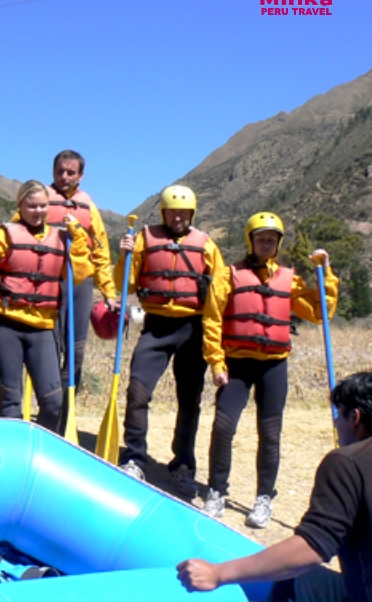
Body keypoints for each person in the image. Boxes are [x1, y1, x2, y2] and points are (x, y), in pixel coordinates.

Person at [177, 371, 372, 602]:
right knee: (289, 580)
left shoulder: (347, 463)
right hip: (353, 594)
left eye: (338, 415)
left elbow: (312, 547)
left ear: (355, 417)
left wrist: (218, 573)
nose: (334, 423)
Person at [201, 212, 338, 528]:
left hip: (274, 365)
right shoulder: (228, 275)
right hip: (237, 363)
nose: (266, 243)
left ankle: (264, 498)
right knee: (223, 427)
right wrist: (217, 364)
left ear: (278, 244)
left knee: (270, 432)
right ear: (251, 240)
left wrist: (325, 273)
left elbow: (319, 313)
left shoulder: (289, 279)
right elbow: (212, 320)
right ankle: (216, 491)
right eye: (261, 238)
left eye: (272, 239)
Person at [115, 184, 225, 500]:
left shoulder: (206, 245)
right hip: (157, 326)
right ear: (164, 212)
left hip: (193, 328)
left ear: (192, 214)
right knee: (137, 391)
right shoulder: (143, 240)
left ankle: (183, 465)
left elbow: (219, 291)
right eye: (173, 212)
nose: (178, 217)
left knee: (189, 401)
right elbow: (128, 279)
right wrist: (124, 254)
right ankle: (135, 458)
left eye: (184, 213)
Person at [0, 180, 93, 431]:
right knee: (11, 401)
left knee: (53, 402)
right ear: (20, 205)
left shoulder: (62, 237)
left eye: (43, 205)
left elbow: (80, 272)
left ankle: (43, 452)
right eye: (32, 206)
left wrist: (77, 236)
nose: (38, 211)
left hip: (42, 327)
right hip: (3, 325)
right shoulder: (2, 236)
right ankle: (14, 460)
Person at [43, 151, 118, 430]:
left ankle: (67, 415)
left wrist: (108, 291)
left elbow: (100, 252)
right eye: (60, 171)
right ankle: (48, 413)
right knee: (48, 348)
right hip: (47, 283)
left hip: (79, 283)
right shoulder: (39, 200)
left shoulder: (88, 206)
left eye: (71, 172)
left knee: (75, 352)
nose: (65, 177)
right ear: (53, 171)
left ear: (80, 175)